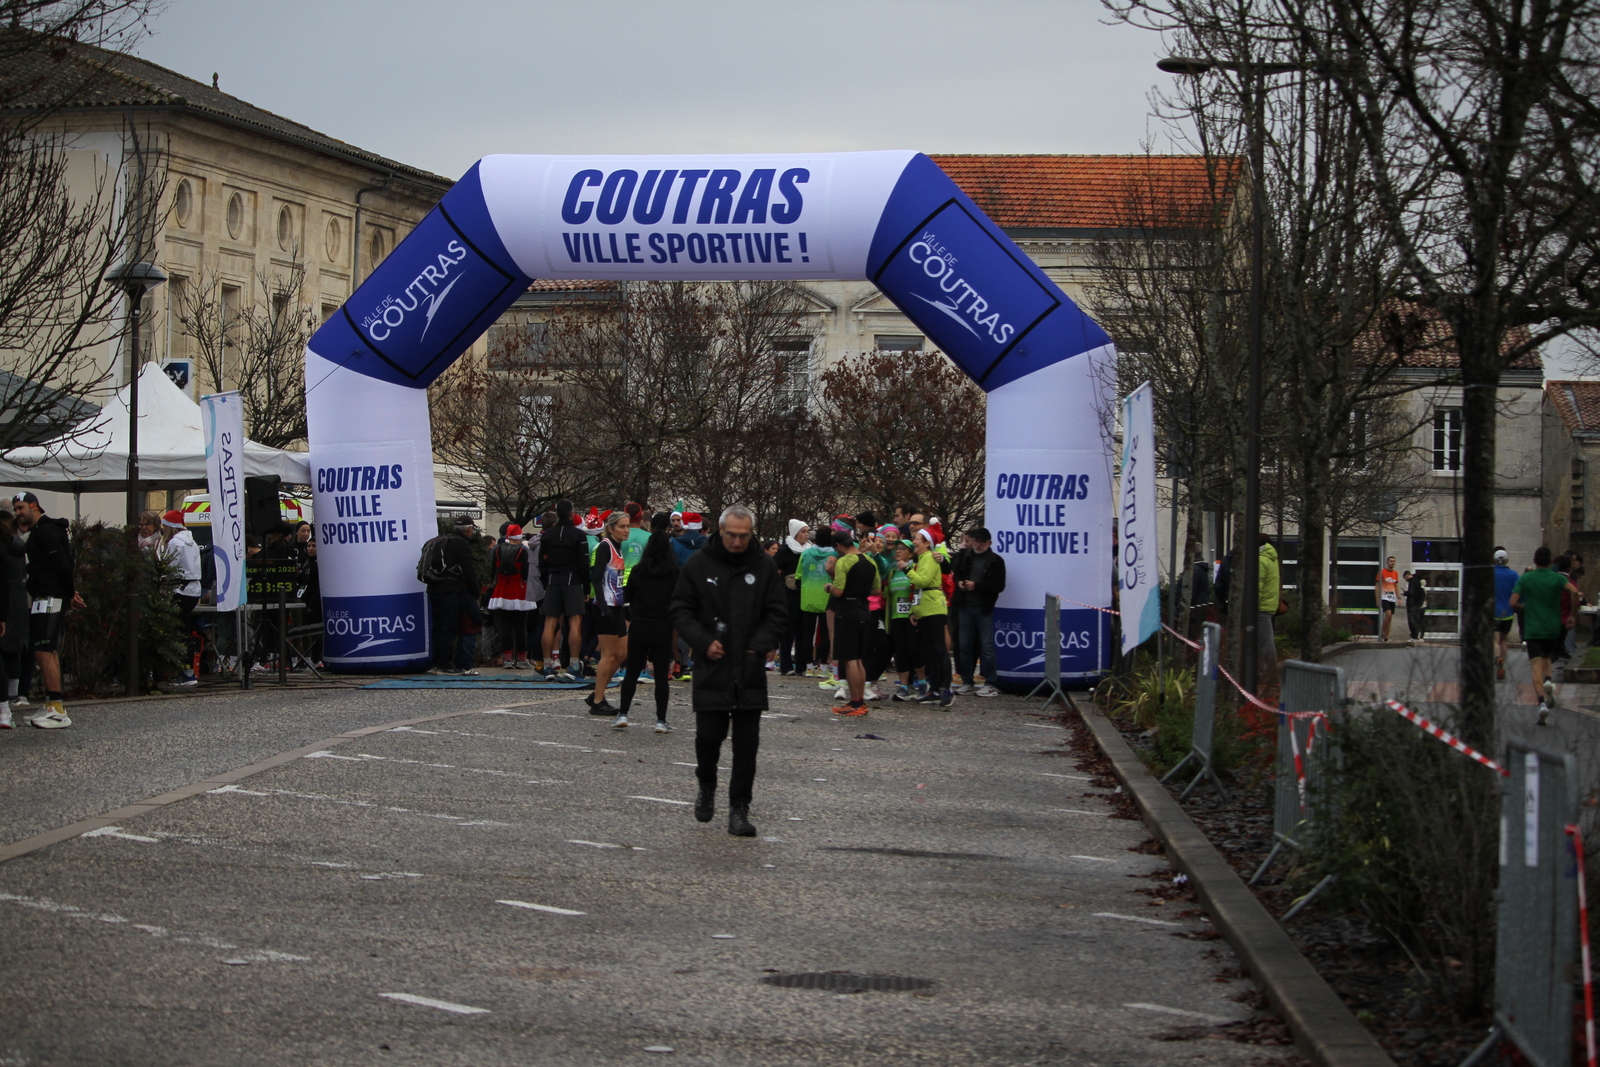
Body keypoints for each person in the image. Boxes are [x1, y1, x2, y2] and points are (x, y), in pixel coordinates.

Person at [669, 504, 787, 838]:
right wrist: (702, 641)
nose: (737, 541)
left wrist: (758, 646)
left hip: (748, 668)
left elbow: (777, 612)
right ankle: (706, 785)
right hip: (713, 667)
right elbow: (680, 608)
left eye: (743, 536)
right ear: (720, 531)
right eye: (731, 535)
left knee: (747, 746)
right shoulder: (699, 564)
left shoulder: (763, 565)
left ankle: (739, 808)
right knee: (708, 738)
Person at [12, 492, 81, 728]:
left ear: (34, 506)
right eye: (16, 509)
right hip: (46, 595)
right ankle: (53, 703)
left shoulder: (47, 531)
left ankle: (56, 708)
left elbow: (63, 564)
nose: (18, 513)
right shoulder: (41, 531)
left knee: (43, 648)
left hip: (50, 596)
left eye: (21, 508)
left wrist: (69, 593)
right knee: (47, 649)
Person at [618, 512, 678, 733]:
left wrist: (631, 614)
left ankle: (623, 713)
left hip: (640, 623)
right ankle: (661, 719)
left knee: (632, 671)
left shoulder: (638, 571)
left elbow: (627, 597)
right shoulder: (674, 573)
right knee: (661, 676)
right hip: (662, 625)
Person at [1511, 545, 1579, 725]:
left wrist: (1524, 608)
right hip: (1552, 627)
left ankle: (1541, 703)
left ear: (1534, 561)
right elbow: (1574, 592)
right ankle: (1548, 681)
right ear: (1550, 561)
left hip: (1533, 629)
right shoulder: (1557, 578)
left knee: (1535, 665)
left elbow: (1513, 602)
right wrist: (1573, 615)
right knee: (1547, 658)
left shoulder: (1526, 578)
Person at [825, 529, 879, 716]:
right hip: (864, 609)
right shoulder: (870, 561)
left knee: (849, 659)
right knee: (859, 659)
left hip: (847, 611)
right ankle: (860, 701)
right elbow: (876, 590)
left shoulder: (844, 561)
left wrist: (829, 587)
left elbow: (838, 591)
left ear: (839, 546)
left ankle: (855, 703)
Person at [539, 500, 589, 682]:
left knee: (549, 623)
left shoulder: (547, 535)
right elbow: (583, 563)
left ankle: (547, 665)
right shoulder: (578, 535)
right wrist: (586, 586)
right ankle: (573, 665)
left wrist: (545, 583)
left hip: (553, 580)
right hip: (572, 580)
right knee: (575, 623)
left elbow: (542, 562)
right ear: (571, 514)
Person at [952, 526, 1006, 696]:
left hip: (983, 608)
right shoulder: (966, 556)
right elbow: (956, 572)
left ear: (989, 543)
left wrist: (977, 586)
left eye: (982, 542)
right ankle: (967, 681)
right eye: (976, 541)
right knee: (964, 646)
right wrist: (960, 583)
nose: (978, 545)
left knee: (987, 647)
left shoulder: (996, 561)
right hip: (965, 606)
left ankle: (991, 682)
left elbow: (999, 586)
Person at [426, 514, 481, 675]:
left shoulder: (442, 540)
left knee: (437, 627)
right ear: (468, 530)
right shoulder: (461, 543)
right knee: (448, 628)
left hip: (433, 588)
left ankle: (436, 662)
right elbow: (469, 571)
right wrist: (475, 593)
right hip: (449, 590)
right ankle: (445, 663)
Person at [588, 511, 631, 720]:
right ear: (611, 528)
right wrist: (603, 606)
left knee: (622, 653)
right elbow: (597, 578)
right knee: (608, 655)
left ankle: (597, 691)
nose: (626, 530)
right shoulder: (605, 546)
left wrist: (625, 604)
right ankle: (598, 701)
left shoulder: (619, 547)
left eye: (628, 526)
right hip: (604, 606)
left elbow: (618, 579)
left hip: (617, 606)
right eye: (622, 526)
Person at [909, 526, 953, 707]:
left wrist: (906, 570)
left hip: (934, 608)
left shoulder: (929, 557)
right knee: (928, 650)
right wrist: (914, 611)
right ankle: (934, 689)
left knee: (938, 648)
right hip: (924, 608)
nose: (914, 541)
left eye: (917, 539)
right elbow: (918, 588)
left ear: (927, 543)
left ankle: (947, 689)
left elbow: (923, 581)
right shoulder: (921, 559)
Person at [159, 509, 202, 686]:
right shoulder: (192, 542)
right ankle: (187, 672)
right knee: (185, 629)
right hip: (193, 590)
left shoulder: (175, 543)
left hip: (180, 590)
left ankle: (184, 673)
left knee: (179, 632)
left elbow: (168, 566)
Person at [488, 525, 536, 668]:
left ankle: (507, 659)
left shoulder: (497, 550)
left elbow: (492, 570)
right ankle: (521, 659)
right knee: (521, 627)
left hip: (502, 590)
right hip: (519, 591)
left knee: (506, 627)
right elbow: (526, 573)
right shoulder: (523, 551)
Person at [885, 538, 921, 700]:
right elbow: (888, 594)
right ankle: (904, 686)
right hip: (896, 616)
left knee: (915, 650)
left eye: (902, 548)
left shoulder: (915, 568)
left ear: (911, 553)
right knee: (900, 651)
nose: (898, 551)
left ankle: (923, 683)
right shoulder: (893, 572)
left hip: (913, 616)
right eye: (897, 548)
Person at [796, 528, 835, 679]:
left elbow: (798, 576)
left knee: (808, 634)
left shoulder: (806, 553)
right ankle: (823, 667)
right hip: (827, 598)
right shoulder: (834, 555)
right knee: (825, 634)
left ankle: (808, 667)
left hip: (808, 598)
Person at [0, 512, 27, 727]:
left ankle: (6, 704)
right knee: (9, 652)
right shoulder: (13, 546)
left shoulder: (7, 547)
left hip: (8, 603)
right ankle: (7, 703)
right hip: (14, 602)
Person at [774, 520, 809, 675]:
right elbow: (773, 568)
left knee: (803, 630)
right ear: (795, 533)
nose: (806, 535)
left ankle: (802, 665)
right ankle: (786, 665)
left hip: (806, 593)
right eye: (803, 531)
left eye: (807, 531)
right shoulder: (785, 551)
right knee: (788, 630)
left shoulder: (809, 551)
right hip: (789, 594)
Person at [1258, 533, 1282, 686]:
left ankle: (1270, 675)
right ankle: (1262, 673)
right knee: (1263, 641)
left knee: (1265, 642)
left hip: (1261, 607)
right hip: (1269, 606)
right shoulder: (1271, 558)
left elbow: (1257, 586)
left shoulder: (1261, 560)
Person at [1493, 547, 1518, 679]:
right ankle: (1502, 666)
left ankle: (1497, 657)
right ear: (1507, 560)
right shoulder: (1513, 575)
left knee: (1495, 640)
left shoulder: (1489, 574)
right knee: (1503, 640)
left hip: (1493, 612)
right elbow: (1518, 593)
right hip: (1507, 612)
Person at [1375, 555, 1400, 642]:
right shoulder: (1381, 572)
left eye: (1393, 561)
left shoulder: (1395, 573)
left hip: (1392, 598)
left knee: (1390, 618)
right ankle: (1382, 632)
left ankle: (1386, 637)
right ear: (1387, 562)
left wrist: (1398, 598)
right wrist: (1377, 599)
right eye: (1390, 561)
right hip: (1384, 597)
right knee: (1388, 614)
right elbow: (1377, 586)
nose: (1392, 563)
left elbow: (1395, 586)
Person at [1403, 570, 1428, 642]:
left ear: (1407, 575)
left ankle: (1415, 636)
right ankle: (1419, 636)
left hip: (1415, 605)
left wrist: (1406, 593)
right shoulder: (1418, 584)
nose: (1406, 580)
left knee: (1414, 621)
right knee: (1419, 621)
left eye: (1405, 578)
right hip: (1418, 606)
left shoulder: (1413, 582)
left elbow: (1413, 593)